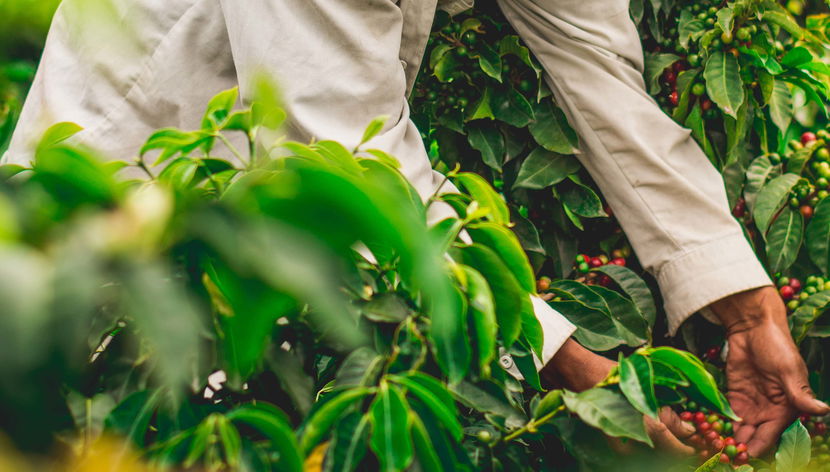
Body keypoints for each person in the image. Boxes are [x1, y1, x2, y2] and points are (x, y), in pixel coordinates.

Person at [3, 0, 827, 457]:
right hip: (131, 213)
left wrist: (745, 301)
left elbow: (599, 68)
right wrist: (581, 371)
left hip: (282, 235)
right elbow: (345, 149)